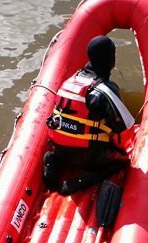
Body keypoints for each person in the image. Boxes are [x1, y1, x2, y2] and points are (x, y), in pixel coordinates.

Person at [43, 35, 135, 196]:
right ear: (111, 59)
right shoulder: (105, 88)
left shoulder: (71, 81)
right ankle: (81, 180)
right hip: (87, 158)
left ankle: (54, 161)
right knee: (121, 162)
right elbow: (125, 126)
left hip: (59, 150)